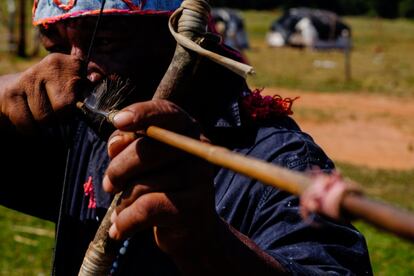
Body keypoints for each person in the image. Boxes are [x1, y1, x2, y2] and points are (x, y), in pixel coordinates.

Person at [0, 1, 372, 275]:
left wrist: (206, 241)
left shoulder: (275, 159)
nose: (75, 72)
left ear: (182, 41)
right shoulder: (88, 128)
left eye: (105, 43)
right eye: (59, 48)